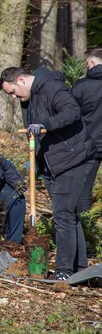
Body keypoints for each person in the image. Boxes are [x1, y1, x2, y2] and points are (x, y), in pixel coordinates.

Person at [0, 67, 96, 280]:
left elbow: (72, 111)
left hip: (74, 159)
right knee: (69, 215)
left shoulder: (53, 87)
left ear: (21, 79)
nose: (13, 97)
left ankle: (64, 270)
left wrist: (46, 125)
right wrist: (37, 163)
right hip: (53, 164)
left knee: (62, 216)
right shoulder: (29, 98)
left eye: (13, 92)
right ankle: (79, 268)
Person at [71, 48, 102, 214]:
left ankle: (83, 224)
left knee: (84, 190)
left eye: (87, 64)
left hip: (89, 144)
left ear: (92, 63)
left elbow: (70, 115)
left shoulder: (81, 85)